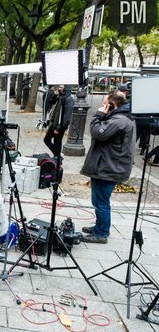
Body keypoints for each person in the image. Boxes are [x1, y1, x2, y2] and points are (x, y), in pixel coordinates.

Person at [80, 90, 135, 244]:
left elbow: (98, 133)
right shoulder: (121, 118)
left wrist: (98, 116)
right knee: (99, 200)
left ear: (113, 104)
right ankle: (100, 227)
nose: (102, 106)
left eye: (104, 104)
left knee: (101, 202)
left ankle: (101, 233)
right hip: (108, 165)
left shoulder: (118, 121)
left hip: (109, 168)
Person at [43, 85, 73, 156]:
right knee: (47, 140)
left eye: (61, 87)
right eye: (59, 87)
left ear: (66, 88)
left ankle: (57, 157)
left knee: (57, 142)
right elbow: (51, 102)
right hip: (54, 123)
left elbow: (67, 115)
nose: (59, 88)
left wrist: (59, 128)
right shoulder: (60, 97)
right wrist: (55, 96)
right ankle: (57, 155)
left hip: (60, 125)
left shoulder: (69, 99)